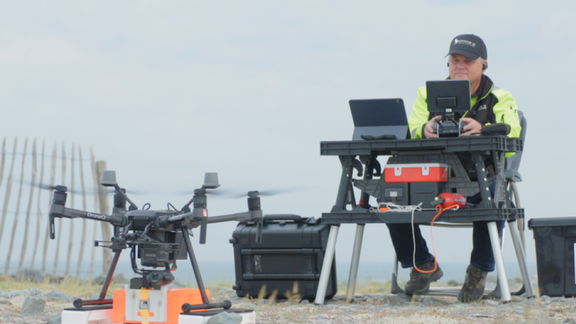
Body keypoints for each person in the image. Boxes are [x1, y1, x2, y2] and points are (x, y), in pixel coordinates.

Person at [386, 34, 522, 303]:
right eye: (454, 60)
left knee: (494, 196)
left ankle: (479, 270)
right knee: (390, 199)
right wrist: (423, 130)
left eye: (467, 61)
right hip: (435, 183)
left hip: (482, 180)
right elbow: (411, 129)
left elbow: (513, 134)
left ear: (483, 65)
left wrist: (483, 129)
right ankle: (423, 266)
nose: (459, 66)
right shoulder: (426, 94)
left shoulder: (500, 97)